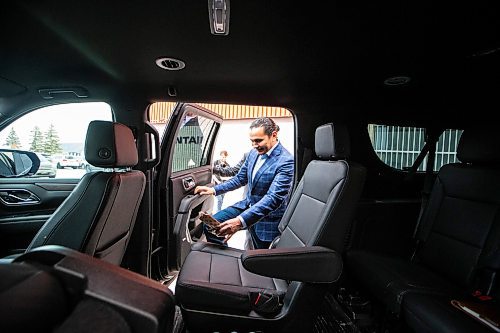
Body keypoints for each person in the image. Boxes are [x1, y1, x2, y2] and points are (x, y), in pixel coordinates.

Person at [195, 118, 294, 249]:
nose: (254, 145)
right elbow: (240, 179)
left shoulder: (286, 161)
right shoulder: (253, 153)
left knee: (261, 259)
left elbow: (273, 198)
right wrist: (214, 190)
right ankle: (225, 259)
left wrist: (240, 222)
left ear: (274, 135)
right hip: (247, 205)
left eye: (258, 140)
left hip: (268, 219)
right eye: (252, 141)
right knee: (210, 226)